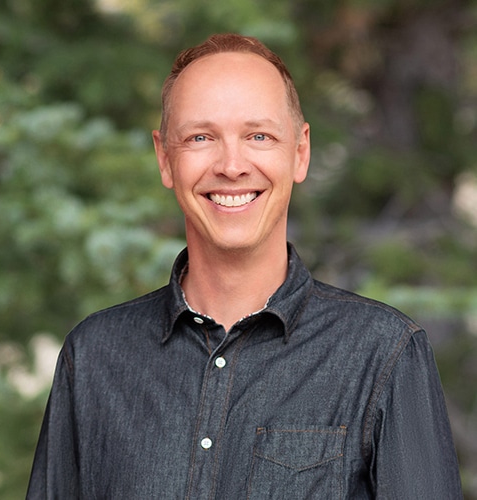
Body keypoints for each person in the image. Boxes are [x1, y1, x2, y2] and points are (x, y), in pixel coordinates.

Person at [27, 33, 462, 499]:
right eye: (201, 137)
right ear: (164, 158)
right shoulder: (94, 357)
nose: (232, 165)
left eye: (259, 135)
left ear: (300, 151)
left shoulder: (384, 354)